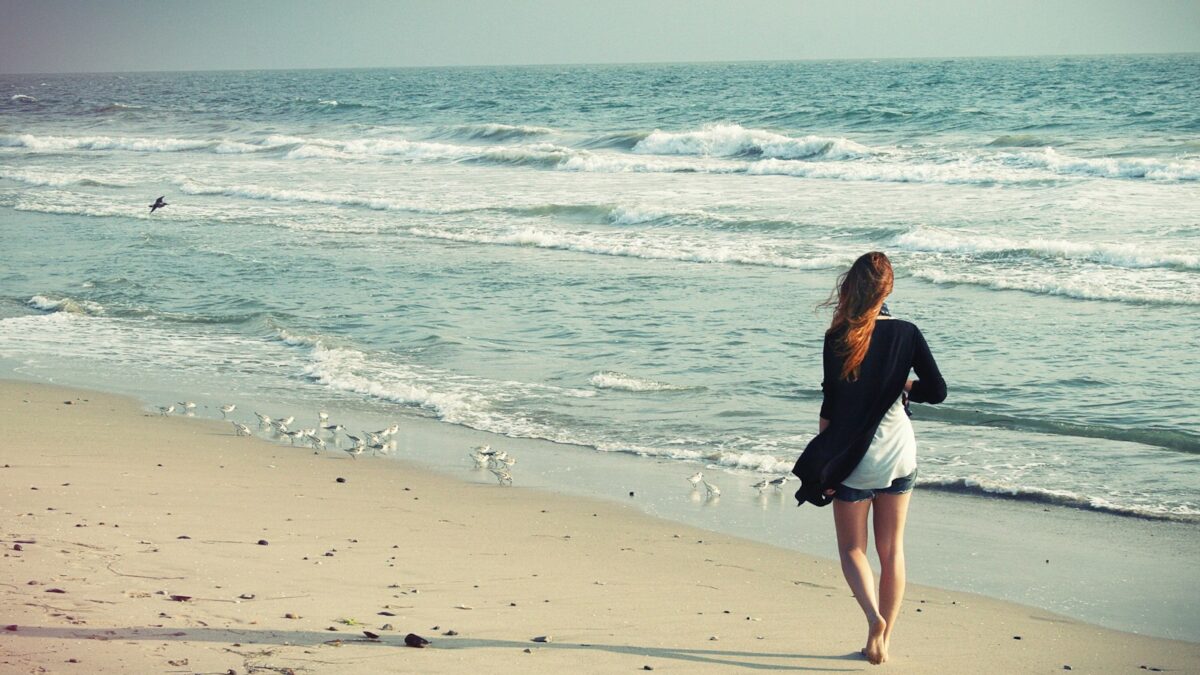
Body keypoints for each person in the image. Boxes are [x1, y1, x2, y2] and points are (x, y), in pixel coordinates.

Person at [791, 251, 946, 665]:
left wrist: (826, 462)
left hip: (855, 460)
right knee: (892, 549)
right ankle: (882, 640)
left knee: (852, 550)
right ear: (888, 289)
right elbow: (938, 390)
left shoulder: (837, 336)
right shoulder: (908, 333)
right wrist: (905, 384)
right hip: (899, 454)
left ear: (851, 288)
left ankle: (873, 618)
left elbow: (830, 408)